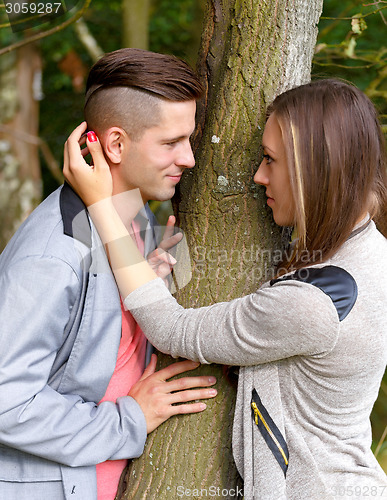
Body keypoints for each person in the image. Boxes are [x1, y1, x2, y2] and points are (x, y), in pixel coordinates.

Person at [64, 78, 387, 500]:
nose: (257, 176)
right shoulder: (367, 246)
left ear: (314, 170)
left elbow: (172, 329)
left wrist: (101, 207)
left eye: (270, 160)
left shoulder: (312, 303)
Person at [0, 48, 218, 500]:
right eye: (171, 142)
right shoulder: (53, 257)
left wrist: (150, 281)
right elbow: (7, 401)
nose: (190, 159)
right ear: (116, 145)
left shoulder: (136, 219)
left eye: (190, 139)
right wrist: (130, 419)